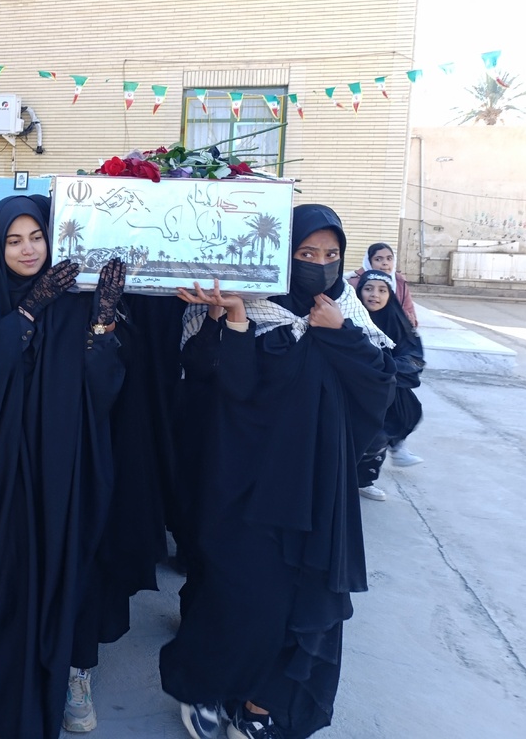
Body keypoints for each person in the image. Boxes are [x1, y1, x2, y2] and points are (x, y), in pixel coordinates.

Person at [160, 204, 396, 739]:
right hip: (245, 478)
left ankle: (265, 701)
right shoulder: (249, 303)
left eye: (332, 256)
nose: (320, 265)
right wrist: (234, 320)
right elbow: (229, 389)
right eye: (306, 254)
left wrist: (338, 332)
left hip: (317, 487)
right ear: (280, 254)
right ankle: (207, 686)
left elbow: (381, 388)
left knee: (302, 600)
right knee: (240, 592)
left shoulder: (347, 312)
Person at [0, 195, 126, 739]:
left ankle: (66, 674)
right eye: (13, 240)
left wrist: (104, 320)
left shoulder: (74, 301)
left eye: (36, 236)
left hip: (62, 469)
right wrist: (27, 311)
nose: (28, 249)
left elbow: (103, 392)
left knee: (64, 571)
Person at [356, 269, 426, 501]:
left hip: (387, 393)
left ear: (390, 295)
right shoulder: (349, 320)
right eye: (368, 288)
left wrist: (386, 369)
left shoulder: (399, 324)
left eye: (382, 290)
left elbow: (414, 357)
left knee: (379, 437)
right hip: (354, 392)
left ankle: (364, 481)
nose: (374, 295)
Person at [348, 243, 417, 327]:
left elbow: (410, 313)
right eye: (378, 259)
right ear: (369, 262)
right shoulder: (354, 283)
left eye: (389, 258)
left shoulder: (400, 283)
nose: (385, 263)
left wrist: (406, 320)